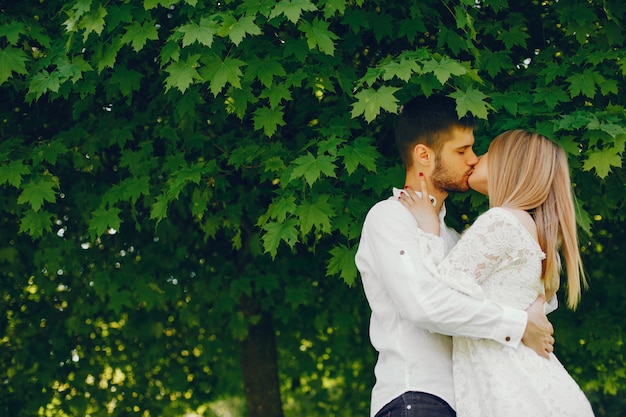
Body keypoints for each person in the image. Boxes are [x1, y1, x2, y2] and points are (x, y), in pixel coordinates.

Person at [355, 95, 555, 417]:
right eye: (461, 151)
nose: (473, 159)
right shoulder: (390, 218)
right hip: (418, 398)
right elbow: (424, 305)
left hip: (467, 402)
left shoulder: (452, 238)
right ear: (424, 155)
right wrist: (518, 324)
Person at [398, 129, 594, 416]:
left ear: (510, 165)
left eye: (488, 152)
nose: (475, 159)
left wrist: (430, 230)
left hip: (511, 388)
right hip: (535, 384)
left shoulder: (501, 221)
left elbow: (440, 292)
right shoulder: (532, 230)